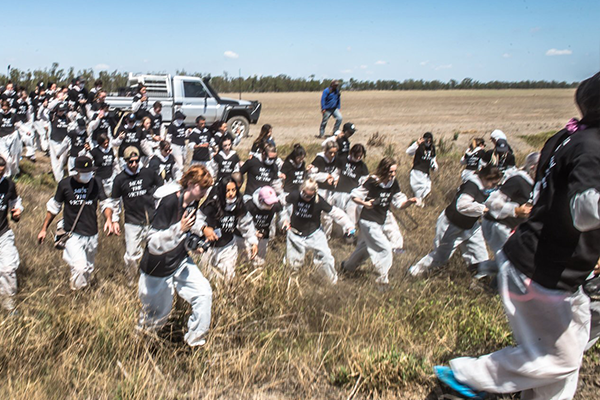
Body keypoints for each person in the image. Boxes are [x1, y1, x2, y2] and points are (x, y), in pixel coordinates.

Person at [435, 72, 600, 400]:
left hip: (539, 262)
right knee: (560, 359)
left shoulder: (566, 138)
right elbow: (585, 211)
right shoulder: (593, 147)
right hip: (542, 272)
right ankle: (464, 376)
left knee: (559, 374)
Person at [137, 164, 213, 347]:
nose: (204, 191)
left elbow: (186, 231)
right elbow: (153, 243)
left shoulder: (194, 203)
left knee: (204, 293)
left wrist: (192, 244)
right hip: (157, 268)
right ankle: (142, 348)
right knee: (157, 316)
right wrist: (179, 229)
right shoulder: (169, 202)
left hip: (179, 261)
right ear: (189, 183)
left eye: (206, 188)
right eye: (201, 187)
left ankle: (195, 343)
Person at [408, 165, 502, 278]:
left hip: (471, 226)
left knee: (480, 255)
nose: (494, 186)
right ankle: (414, 272)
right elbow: (462, 205)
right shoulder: (471, 186)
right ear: (485, 178)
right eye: (493, 184)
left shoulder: (486, 189)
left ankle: (481, 280)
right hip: (451, 225)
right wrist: (483, 209)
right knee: (440, 257)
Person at [37, 156, 113, 290]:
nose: (87, 175)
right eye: (84, 172)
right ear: (76, 171)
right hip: (72, 234)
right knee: (80, 267)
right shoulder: (65, 184)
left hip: (91, 233)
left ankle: (82, 289)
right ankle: (78, 295)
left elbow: (105, 203)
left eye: (89, 172)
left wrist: (108, 219)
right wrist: (44, 228)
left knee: (88, 268)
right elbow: (54, 208)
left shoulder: (96, 183)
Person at [341, 157, 416, 284]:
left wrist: (410, 202)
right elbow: (354, 195)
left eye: (394, 172)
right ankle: (382, 280)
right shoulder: (373, 181)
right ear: (383, 170)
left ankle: (347, 266)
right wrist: (364, 203)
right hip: (368, 221)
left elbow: (399, 203)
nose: (393, 174)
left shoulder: (393, 183)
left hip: (380, 221)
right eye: (390, 171)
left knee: (366, 248)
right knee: (385, 249)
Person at [107, 147, 163, 283]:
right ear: (125, 161)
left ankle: (151, 279)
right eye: (130, 162)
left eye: (136, 161)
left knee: (155, 250)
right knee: (132, 254)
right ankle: (132, 279)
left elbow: (162, 188)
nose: (133, 164)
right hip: (132, 222)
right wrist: (114, 220)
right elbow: (114, 202)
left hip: (151, 219)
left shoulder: (148, 173)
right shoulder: (120, 179)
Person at [285, 179, 354, 284]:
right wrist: (284, 220)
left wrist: (349, 225)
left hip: (314, 233)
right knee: (293, 262)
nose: (307, 198)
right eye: (305, 195)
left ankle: (331, 282)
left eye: (310, 196)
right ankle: (291, 284)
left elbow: (334, 212)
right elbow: (282, 204)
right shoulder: (294, 195)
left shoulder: (318, 201)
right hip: (295, 234)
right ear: (301, 190)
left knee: (326, 257)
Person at [198, 177, 258, 280]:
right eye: (227, 191)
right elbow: (197, 218)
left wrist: (253, 241)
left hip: (228, 246)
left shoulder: (239, 203)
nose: (231, 194)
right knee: (206, 276)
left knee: (227, 276)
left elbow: (246, 223)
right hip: (208, 247)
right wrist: (204, 228)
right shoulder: (213, 203)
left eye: (233, 190)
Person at [482, 152, 539, 255]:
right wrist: (515, 210)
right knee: (510, 260)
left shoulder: (536, 185)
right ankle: (483, 268)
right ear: (533, 167)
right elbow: (491, 202)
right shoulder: (518, 180)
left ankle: (484, 268)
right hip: (498, 225)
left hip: (513, 228)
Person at [243, 185, 287, 266]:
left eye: (272, 203)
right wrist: (253, 233)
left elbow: (282, 212)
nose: (270, 206)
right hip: (249, 235)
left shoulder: (275, 205)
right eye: (268, 203)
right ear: (261, 200)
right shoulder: (250, 206)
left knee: (260, 259)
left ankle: (258, 271)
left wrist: (284, 221)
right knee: (247, 257)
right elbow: (243, 223)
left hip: (264, 234)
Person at [0, 156, 22, 311]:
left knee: (8, 268)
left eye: (1, 172)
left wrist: (17, 213)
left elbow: (15, 203)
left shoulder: (8, 184)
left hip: (3, 233)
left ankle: (8, 303)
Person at [330, 144, 369, 225]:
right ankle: (338, 233)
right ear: (352, 153)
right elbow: (336, 172)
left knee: (351, 215)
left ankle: (350, 234)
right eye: (356, 155)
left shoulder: (362, 166)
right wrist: (334, 179)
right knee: (339, 214)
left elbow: (365, 182)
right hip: (340, 191)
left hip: (352, 194)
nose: (358, 158)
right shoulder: (343, 160)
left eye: (360, 156)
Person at [406, 132, 438, 207]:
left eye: (430, 140)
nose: (428, 142)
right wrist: (417, 143)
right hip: (417, 171)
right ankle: (417, 202)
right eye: (427, 140)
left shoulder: (432, 148)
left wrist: (434, 167)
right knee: (421, 187)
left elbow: (433, 160)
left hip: (426, 172)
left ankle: (418, 202)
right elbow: (408, 152)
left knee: (427, 188)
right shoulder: (419, 146)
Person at [48, 103, 71, 181]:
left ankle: (59, 176)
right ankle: (59, 178)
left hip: (63, 142)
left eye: (63, 110)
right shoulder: (53, 117)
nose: (61, 112)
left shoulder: (67, 118)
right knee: (55, 160)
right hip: (54, 141)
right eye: (60, 111)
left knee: (62, 160)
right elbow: (42, 115)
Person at [0, 100, 22, 177]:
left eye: (6, 109)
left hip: (12, 137)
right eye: (3, 109)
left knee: (14, 157)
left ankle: (15, 173)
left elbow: (20, 124)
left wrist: (27, 131)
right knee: (7, 159)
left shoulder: (13, 115)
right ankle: (7, 175)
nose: (5, 111)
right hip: (2, 139)